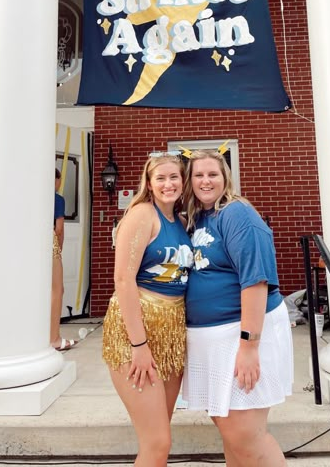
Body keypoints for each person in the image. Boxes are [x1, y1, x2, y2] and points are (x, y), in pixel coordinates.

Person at [182, 149, 293, 467]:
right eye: (198, 175)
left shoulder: (236, 214)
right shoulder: (198, 217)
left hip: (240, 334)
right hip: (211, 340)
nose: (205, 180)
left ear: (225, 178)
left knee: (245, 435)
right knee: (231, 432)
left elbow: (256, 282)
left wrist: (248, 345)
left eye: (212, 174)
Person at [102, 153, 194, 467]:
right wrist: (138, 345)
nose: (168, 184)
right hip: (137, 332)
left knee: (157, 439)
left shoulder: (181, 222)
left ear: (183, 181)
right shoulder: (142, 214)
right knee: (158, 442)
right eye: (161, 178)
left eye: (174, 177)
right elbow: (123, 279)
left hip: (171, 334)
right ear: (150, 183)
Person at [51, 168, 77, 351]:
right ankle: (54, 338)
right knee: (56, 290)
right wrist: (58, 249)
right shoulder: (56, 199)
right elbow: (59, 228)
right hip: (48, 244)